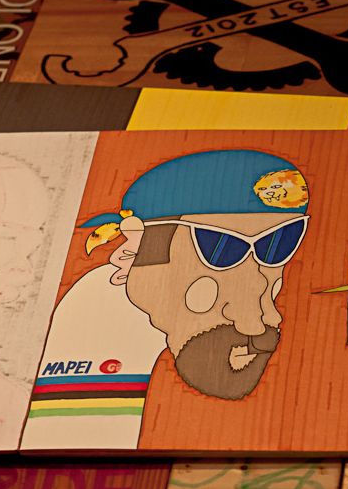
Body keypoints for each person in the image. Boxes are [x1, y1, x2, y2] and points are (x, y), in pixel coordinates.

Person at [20, 149, 310, 450]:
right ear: (137, 240)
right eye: (222, 248)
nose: (260, 326)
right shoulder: (99, 307)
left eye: (278, 243)